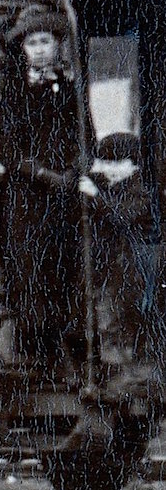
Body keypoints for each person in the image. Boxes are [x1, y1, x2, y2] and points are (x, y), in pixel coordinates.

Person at [0, 5, 87, 374]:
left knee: (68, 268)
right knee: (34, 271)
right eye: (32, 43)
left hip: (65, 198)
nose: (39, 49)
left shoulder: (69, 87)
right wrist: (48, 175)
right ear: (23, 49)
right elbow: (8, 150)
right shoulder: (14, 90)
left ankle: (73, 348)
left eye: (45, 41)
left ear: (57, 44)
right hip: (30, 199)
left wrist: (77, 168)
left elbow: (86, 134)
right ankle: (38, 353)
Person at [79, 133, 155, 386]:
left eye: (114, 163)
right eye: (105, 163)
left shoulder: (141, 189)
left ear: (132, 164)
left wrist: (95, 197)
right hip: (111, 272)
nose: (108, 170)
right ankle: (116, 374)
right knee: (107, 323)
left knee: (121, 324)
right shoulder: (112, 186)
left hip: (130, 275)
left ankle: (126, 377)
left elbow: (123, 216)